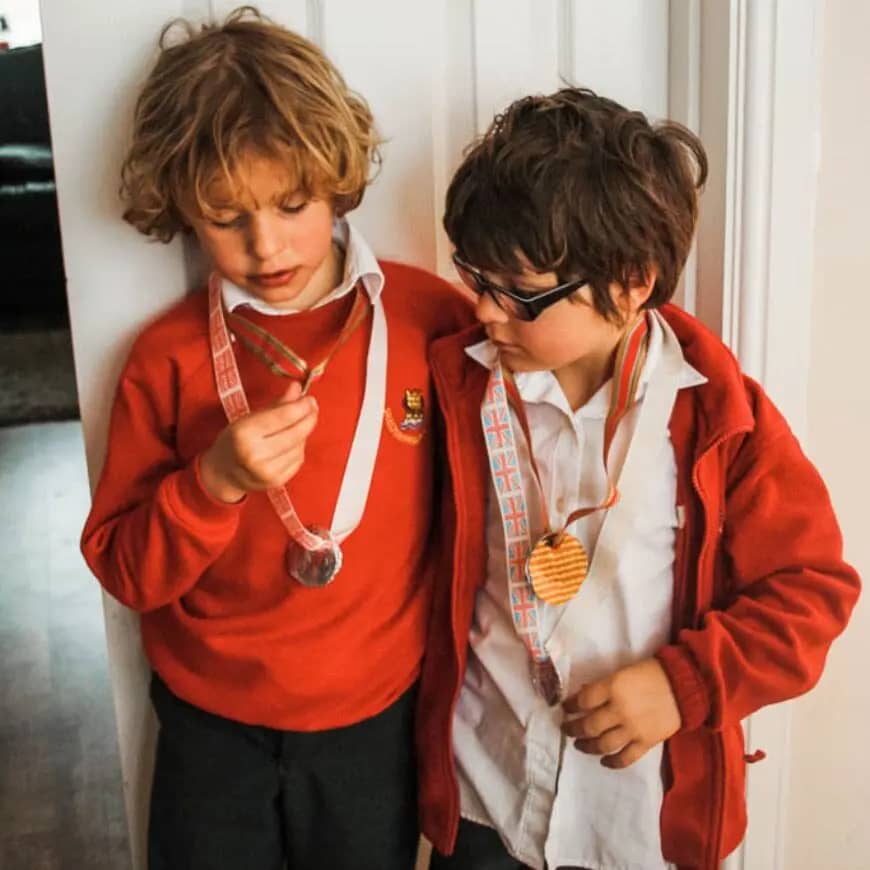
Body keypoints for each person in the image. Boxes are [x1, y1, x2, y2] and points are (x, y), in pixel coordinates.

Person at [416, 87, 861, 870]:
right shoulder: (453, 384)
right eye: (473, 277)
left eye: (518, 294)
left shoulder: (725, 421)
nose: (484, 311)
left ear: (629, 284)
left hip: (635, 824)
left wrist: (683, 686)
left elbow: (812, 594)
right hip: (486, 794)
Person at [80, 8, 470, 869]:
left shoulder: (430, 320)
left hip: (374, 722)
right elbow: (124, 568)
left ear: (336, 180)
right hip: (210, 729)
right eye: (226, 218)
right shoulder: (168, 358)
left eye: (293, 205)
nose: (266, 245)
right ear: (183, 210)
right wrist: (212, 485)